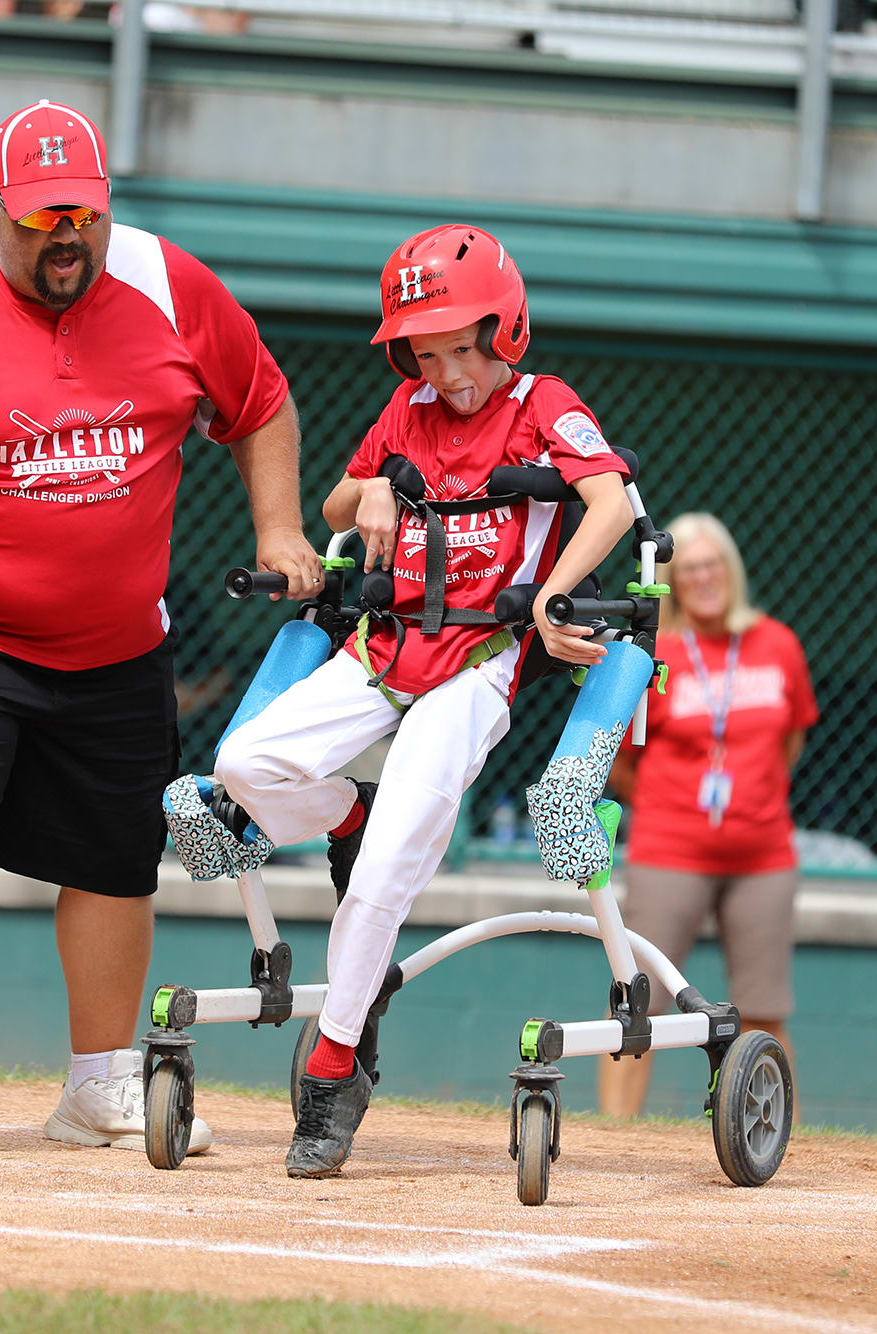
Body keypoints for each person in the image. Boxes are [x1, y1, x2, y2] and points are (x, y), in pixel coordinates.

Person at [0, 99, 320, 1158]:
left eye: (81, 213)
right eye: (40, 220)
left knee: (116, 866)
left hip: (117, 642)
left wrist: (278, 526)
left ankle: (100, 1083)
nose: (65, 238)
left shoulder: (170, 285)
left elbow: (259, 401)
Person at [213, 224, 634, 1178]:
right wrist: (365, 497)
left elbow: (608, 498)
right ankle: (346, 813)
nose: (447, 370)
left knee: (382, 879)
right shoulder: (406, 409)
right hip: (384, 644)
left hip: (479, 661)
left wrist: (557, 594)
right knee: (244, 765)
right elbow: (333, 503)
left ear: (505, 328)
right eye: (426, 350)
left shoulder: (543, 404)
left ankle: (333, 1067)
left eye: (461, 347)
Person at [596, 513, 818, 1122]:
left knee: (764, 1007)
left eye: (712, 563)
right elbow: (617, 756)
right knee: (639, 1004)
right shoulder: (654, 653)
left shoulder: (777, 644)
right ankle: (616, 1136)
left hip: (762, 855)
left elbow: (790, 740)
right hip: (671, 850)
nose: (703, 577)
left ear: (731, 569)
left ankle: (767, 1137)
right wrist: (672, 803)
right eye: (688, 569)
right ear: (672, 581)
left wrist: (751, 794)